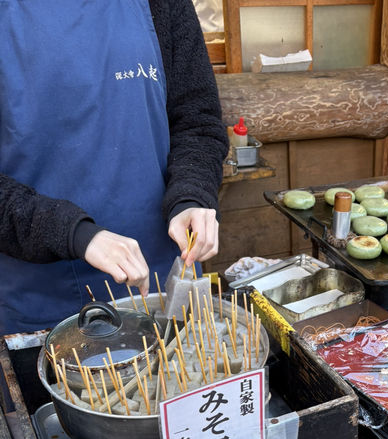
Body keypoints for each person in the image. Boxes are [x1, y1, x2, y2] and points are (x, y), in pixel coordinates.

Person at [0, 0, 229, 336]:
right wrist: (73, 234)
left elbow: (197, 120)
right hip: (41, 302)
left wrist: (192, 195)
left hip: (160, 285)